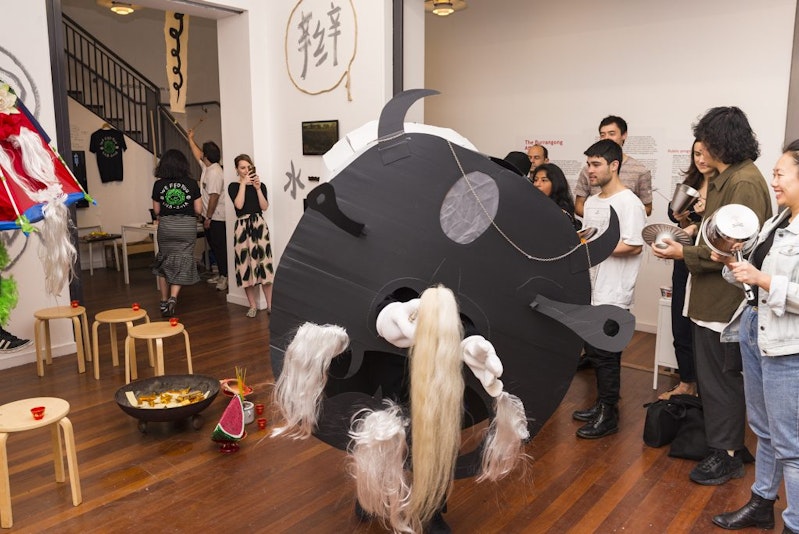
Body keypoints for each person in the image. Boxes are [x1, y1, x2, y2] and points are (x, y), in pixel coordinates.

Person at [652, 106, 772, 486]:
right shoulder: (728, 178)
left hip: (725, 299)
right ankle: (728, 445)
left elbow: (735, 251)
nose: (700, 148)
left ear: (723, 141)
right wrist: (689, 235)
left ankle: (728, 454)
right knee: (716, 377)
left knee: (722, 378)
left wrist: (681, 253)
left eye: (706, 140)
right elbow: (715, 235)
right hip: (710, 295)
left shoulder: (744, 182)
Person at [709, 140, 799, 533]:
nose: (773, 181)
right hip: (754, 331)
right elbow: (748, 276)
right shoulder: (778, 221)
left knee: (791, 445)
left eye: (780, 174)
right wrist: (731, 260)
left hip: (788, 346)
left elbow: (768, 282)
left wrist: (763, 278)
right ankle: (762, 502)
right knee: (762, 430)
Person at [571, 139, 646, 439]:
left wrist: (594, 246)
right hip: (590, 289)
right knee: (594, 352)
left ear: (614, 166)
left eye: (596, 164)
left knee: (606, 354)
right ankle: (602, 405)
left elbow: (634, 245)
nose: (590, 170)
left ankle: (609, 414)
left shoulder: (630, 203)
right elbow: (589, 241)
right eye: (588, 164)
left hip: (613, 292)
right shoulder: (591, 202)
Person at [659, 139, 715, 400]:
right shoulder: (690, 182)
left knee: (701, 327)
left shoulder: (723, 186)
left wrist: (703, 216)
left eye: (705, 154)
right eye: (696, 154)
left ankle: (705, 387)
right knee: (679, 323)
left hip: (707, 261)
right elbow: (674, 213)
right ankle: (686, 381)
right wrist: (682, 217)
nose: (701, 159)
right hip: (682, 259)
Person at [151, 149, 202, 317]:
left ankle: (164, 301)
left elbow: (157, 210)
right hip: (186, 226)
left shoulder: (158, 185)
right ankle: (174, 297)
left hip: (167, 226)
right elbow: (198, 209)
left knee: (163, 262)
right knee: (183, 260)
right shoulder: (192, 183)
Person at [574, 115, 653, 217]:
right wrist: (598, 218)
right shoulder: (588, 170)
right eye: (602, 135)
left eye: (612, 134)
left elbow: (647, 208)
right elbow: (579, 206)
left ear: (624, 135)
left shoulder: (640, 170)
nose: (607, 138)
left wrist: (618, 218)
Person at [227, 154, 274, 318]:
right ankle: (252, 306)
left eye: (248, 167)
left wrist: (258, 188)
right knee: (245, 265)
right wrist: (243, 185)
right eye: (242, 168)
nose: (246, 170)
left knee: (265, 266)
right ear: (237, 170)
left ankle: (270, 305)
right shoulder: (233, 186)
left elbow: (264, 206)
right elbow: (239, 205)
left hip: (259, 226)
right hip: (242, 227)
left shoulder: (261, 185)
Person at [188, 130, 228, 291]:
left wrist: (208, 218)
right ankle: (220, 274)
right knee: (214, 247)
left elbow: (214, 197)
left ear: (208, 156)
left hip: (217, 217)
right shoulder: (207, 167)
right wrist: (191, 138)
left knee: (220, 247)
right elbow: (197, 153)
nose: (201, 155)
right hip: (209, 217)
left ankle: (225, 277)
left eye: (204, 153)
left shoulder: (216, 173)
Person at [530, 163, 581, 230]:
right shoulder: (531, 207)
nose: (537, 184)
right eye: (535, 180)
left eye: (544, 180)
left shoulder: (561, 213)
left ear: (555, 184)